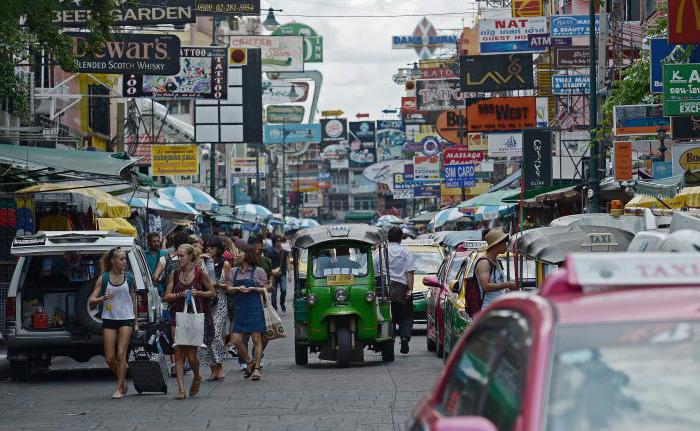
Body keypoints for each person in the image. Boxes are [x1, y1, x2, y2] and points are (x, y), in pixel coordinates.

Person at [164, 244, 216, 400]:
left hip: (194, 316)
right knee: (178, 353)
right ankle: (181, 389)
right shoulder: (174, 274)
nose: (178, 259)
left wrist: (197, 292)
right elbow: (167, 296)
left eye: (181, 256)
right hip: (177, 316)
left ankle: (197, 375)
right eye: (177, 256)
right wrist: (180, 294)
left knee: (192, 357)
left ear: (190, 257)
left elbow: (212, 293)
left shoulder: (200, 274)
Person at [88, 247, 138, 399]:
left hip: (126, 318)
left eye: (125, 259)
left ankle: (118, 388)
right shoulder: (103, 278)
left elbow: (134, 300)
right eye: (121, 259)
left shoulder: (129, 278)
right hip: (109, 318)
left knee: (121, 353)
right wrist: (102, 298)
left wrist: (135, 322)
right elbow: (91, 300)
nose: (124, 262)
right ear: (113, 261)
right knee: (110, 358)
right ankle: (122, 380)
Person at [227, 245, 268, 382]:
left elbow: (265, 290)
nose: (237, 255)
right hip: (240, 309)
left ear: (247, 254)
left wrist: (253, 288)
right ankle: (249, 362)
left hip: (254, 308)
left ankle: (256, 368)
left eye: (240, 252)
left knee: (257, 340)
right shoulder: (233, 272)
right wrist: (237, 288)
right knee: (236, 341)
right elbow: (228, 289)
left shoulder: (259, 271)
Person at [376, 226, 415, 355]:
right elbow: (409, 272)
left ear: (388, 237)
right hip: (401, 288)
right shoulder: (405, 252)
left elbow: (375, 270)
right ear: (401, 238)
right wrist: (410, 289)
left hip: (384, 289)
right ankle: (404, 337)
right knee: (406, 316)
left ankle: (388, 340)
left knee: (387, 316)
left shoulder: (380, 252)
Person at [198, 237, 230, 381]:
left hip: (220, 301)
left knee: (216, 334)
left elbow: (229, 285)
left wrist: (218, 285)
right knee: (206, 336)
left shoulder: (225, 264)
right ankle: (213, 368)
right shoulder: (202, 263)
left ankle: (220, 366)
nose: (209, 249)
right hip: (206, 302)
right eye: (208, 247)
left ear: (218, 248)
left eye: (213, 247)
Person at [474, 228, 517, 311]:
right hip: (488, 310)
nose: (506, 246)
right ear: (497, 245)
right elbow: (486, 287)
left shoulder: (495, 261)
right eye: (504, 243)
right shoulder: (484, 263)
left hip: (497, 308)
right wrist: (508, 284)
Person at [266, 236, 289, 312]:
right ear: (274, 242)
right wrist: (269, 273)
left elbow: (288, 262)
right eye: (277, 241)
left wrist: (290, 273)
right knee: (273, 292)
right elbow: (268, 263)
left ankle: (282, 303)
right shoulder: (270, 252)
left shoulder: (284, 252)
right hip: (273, 275)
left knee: (283, 290)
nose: (278, 243)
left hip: (282, 273)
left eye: (279, 241)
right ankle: (274, 307)